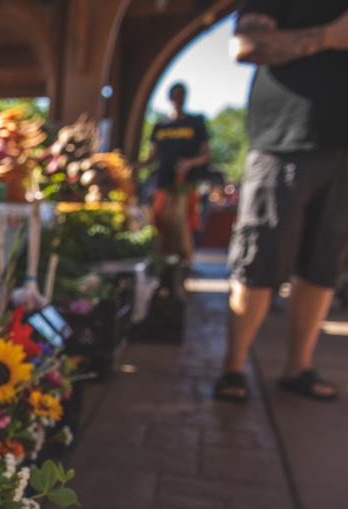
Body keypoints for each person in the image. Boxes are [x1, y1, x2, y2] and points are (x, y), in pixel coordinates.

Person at [216, 1, 348, 402]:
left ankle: (299, 366)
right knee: (260, 257)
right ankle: (233, 367)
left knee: (325, 263)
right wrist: (330, 36)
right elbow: (245, 45)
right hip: (285, 139)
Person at [145, 83, 211, 263]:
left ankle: (186, 262)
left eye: (181, 95)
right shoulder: (161, 125)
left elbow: (206, 154)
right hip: (163, 181)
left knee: (183, 224)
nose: (178, 99)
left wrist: (189, 163)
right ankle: (161, 261)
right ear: (170, 98)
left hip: (186, 183)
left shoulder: (195, 123)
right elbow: (152, 156)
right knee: (160, 223)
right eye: (175, 95)